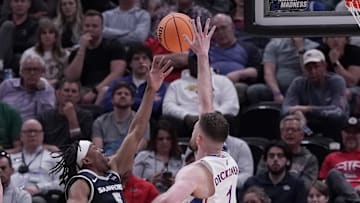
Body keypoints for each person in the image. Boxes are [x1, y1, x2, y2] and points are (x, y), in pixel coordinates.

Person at [52, 55, 173, 202]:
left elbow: (135, 132)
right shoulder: (81, 182)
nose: (101, 150)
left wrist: (151, 90)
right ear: (87, 160)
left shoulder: (113, 170)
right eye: (95, 149)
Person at [153, 17, 239, 203]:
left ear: (199, 138)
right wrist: (202, 55)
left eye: (195, 127)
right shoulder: (226, 157)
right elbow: (206, 101)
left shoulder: (195, 172)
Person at [162, 50, 239, 138]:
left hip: (216, 121)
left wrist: (213, 116)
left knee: (229, 119)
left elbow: (232, 104)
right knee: (167, 121)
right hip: (186, 122)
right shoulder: (176, 84)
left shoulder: (223, 81)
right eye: (195, 59)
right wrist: (186, 116)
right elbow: (167, 106)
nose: (198, 62)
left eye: (201, 59)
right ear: (189, 62)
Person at [282, 49, 349, 141]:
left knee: (335, 121)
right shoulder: (298, 82)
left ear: (324, 66)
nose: (313, 71)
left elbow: (338, 111)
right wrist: (296, 112)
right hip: (307, 123)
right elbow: (286, 108)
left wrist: (308, 109)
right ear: (304, 70)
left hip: (332, 123)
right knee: (288, 121)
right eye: (309, 68)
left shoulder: (336, 81)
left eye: (316, 67)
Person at [64, 9, 127, 104]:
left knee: (104, 91)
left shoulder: (114, 46)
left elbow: (117, 73)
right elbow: (71, 77)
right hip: (83, 89)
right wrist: (82, 49)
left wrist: (95, 91)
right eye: (87, 26)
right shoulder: (77, 51)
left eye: (94, 26)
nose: (90, 29)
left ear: (102, 28)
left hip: (106, 88)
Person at [102, 44, 167, 118]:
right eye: (136, 58)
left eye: (144, 58)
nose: (141, 61)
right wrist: (145, 101)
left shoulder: (158, 84)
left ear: (150, 62)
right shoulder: (118, 83)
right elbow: (107, 105)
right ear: (130, 63)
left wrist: (123, 101)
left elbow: (154, 107)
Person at [256, 113, 319, 190]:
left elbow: (306, 186)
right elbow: (259, 179)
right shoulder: (270, 155)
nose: (289, 133)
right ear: (281, 133)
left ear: (302, 135)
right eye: (286, 130)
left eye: (294, 130)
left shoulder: (310, 159)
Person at [10, 119, 63, 203]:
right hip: (12, 196)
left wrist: (39, 188)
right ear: (21, 136)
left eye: (36, 131)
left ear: (42, 135)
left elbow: (63, 183)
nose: (32, 134)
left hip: (40, 197)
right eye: (28, 131)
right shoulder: (10, 159)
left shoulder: (54, 158)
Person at [92, 82, 150, 156]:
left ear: (132, 100)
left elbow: (141, 144)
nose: (123, 96)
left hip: (132, 157)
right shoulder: (99, 122)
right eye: (119, 93)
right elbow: (98, 149)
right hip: (107, 158)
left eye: (126, 94)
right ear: (112, 100)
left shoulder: (141, 121)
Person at [242, 141, 307, 203]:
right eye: (271, 156)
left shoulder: (297, 185)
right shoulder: (252, 183)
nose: (275, 159)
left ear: (288, 161)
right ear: (265, 161)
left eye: (280, 156)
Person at [37, 79, 93, 151]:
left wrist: (72, 118)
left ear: (78, 97)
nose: (69, 94)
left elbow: (82, 148)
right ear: (58, 93)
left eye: (74, 91)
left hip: (72, 158)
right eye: (66, 90)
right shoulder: (44, 116)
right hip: (48, 155)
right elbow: (35, 143)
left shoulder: (86, 116)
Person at [0, 51, 55, 120]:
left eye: (36, 69)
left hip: (29, 128)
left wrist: (41, 91)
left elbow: (48, 116)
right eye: (28, 69)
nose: (32, 73)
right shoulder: (7, 85)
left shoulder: (47, 90)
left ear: (42, 73)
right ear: (21, 72)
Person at [133, 119, 183, 193]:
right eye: (160, 139)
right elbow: (132, 183)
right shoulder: (143, 156)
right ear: (154, 140)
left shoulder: (181, 159)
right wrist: (149, 182)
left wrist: (175, 184)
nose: (164, 142)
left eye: (168, 138)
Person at [319, 116, 360, 200]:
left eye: (355, 132)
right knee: (333, 173)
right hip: (335, 194)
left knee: (340, 200)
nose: (351, 136)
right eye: (348, 132)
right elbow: (322, 184)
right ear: (342, 134)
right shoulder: (331, 157)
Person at [23, 17, 69, 86]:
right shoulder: (29, 54)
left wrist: (55, 82)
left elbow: (68, 76)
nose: (47, 36)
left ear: (56, 36)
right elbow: (23, 75)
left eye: (51, 32)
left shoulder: (65, 54)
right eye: (44, 33)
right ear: (39, 37)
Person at [0, 0, 38, 75]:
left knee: (19, 57)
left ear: (29, 4)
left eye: (23, 1)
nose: (19, 4)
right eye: (16, 1)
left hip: (20, 60)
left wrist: (7, 42)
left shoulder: (34, 25)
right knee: (8, 25)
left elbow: (30, 46)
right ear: (11, 3)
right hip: (3, 56)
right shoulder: (2, 21)